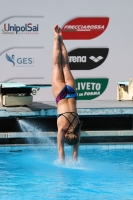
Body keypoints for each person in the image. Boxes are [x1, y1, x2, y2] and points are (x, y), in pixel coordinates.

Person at [52, 25, 82, 162]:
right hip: (61, 95)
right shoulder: (63, 128)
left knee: (65, 65)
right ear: (65, 136)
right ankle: (55, 38)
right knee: (57, 65)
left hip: (71, 93)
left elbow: (75, 154)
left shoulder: (77, 127)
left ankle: (61, 38)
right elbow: (60, 150)